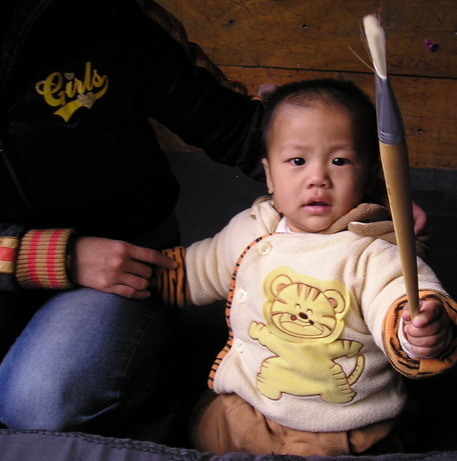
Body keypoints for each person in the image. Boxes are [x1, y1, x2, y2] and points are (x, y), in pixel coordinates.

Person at [155, 79, 457, 456]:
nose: (318, 177)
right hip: (250, 404)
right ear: (269, 175)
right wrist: (153, 274)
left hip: (337, 428)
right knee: (201, 430)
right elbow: (200, 268)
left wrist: (416, 329)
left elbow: (398, 293)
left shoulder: (371, 252)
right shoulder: (251, 229)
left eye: (339, 161)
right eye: (298, 161)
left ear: (369, 175)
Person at [0, 0, 270, 435]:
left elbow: (232, 124)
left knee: (40, 406)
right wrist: (55, 256)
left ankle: (145, 383)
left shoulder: (97, 15)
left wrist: (353, 174)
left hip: (125, 254)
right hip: (12, 259)